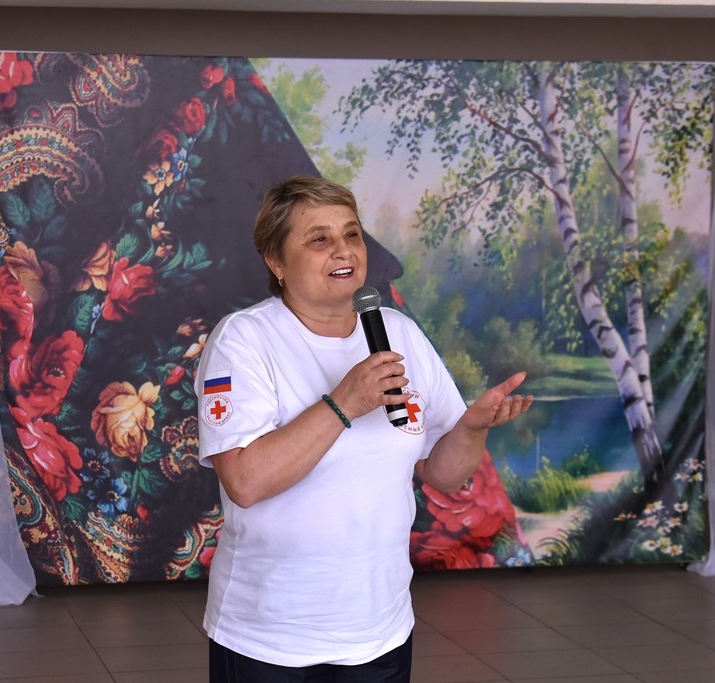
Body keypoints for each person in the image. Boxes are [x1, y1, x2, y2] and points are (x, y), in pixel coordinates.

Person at [195, 175, 534, 682]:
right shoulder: (243, 340)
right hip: (270, 634)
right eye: (319, 239)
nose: (344, 250)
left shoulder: (398, 332)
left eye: (351, 234)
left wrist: (472, 428)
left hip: (380, 629)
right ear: (276, 261)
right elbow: (245, 481)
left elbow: (443, 474)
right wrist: (344, 404)